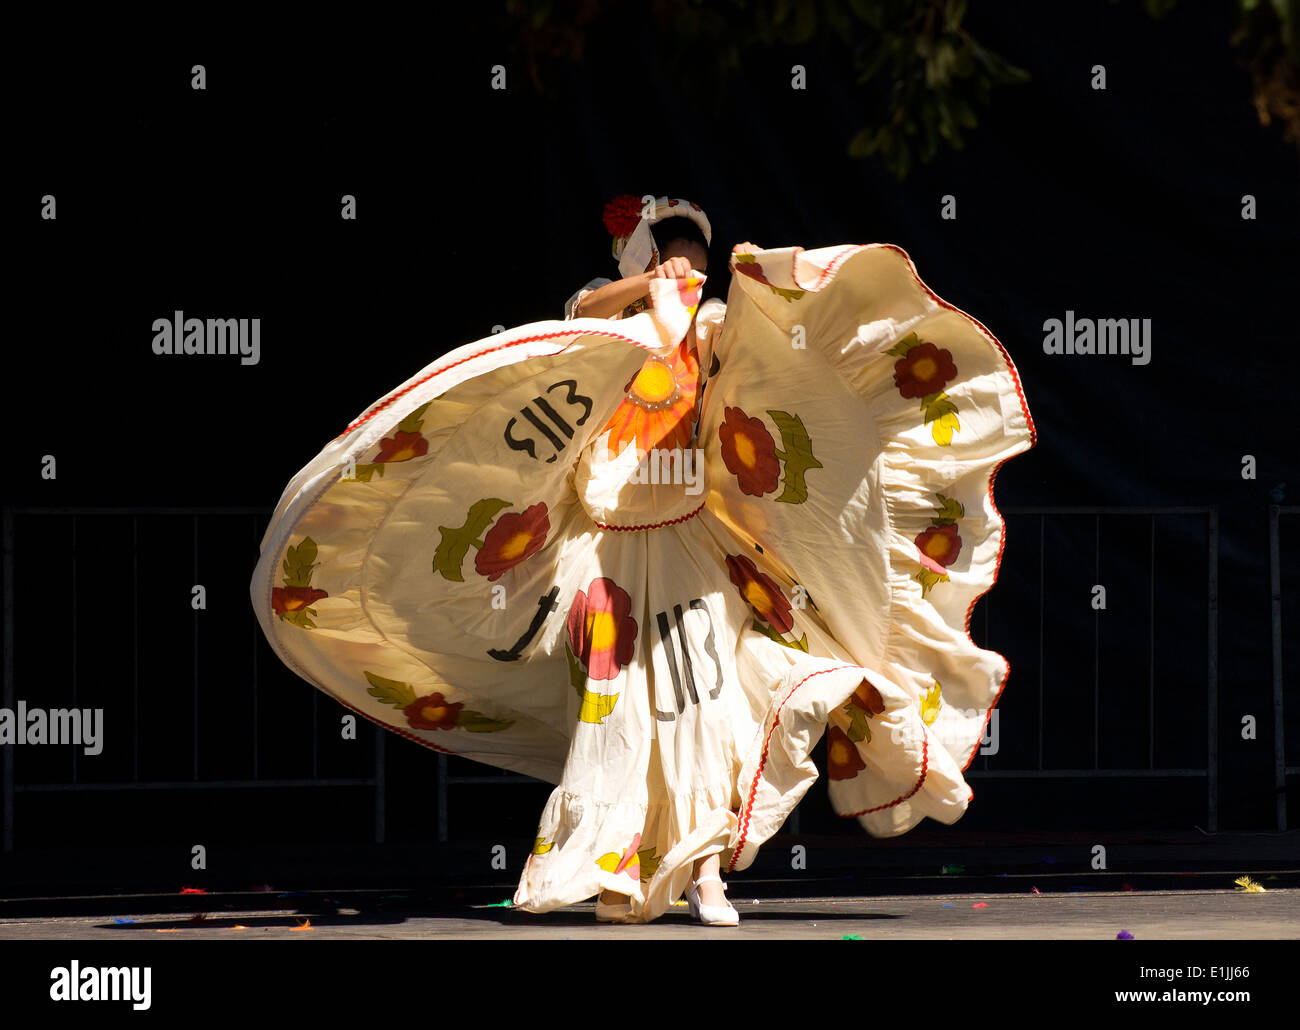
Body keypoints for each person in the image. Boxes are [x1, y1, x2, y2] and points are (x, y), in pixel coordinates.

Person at [249, 193, 1037, 927]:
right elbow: (586, 309)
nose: (689, 271)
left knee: (706, 706)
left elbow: (776, 363)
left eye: (696, 259)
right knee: (619, 713)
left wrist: (761, 292)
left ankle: (704, 877)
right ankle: (617, 867)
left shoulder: (709, 333)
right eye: (674, 258)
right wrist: (644, 295)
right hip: (606, 552)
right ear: (646, 259)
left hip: (693, 544)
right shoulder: (608, 330)